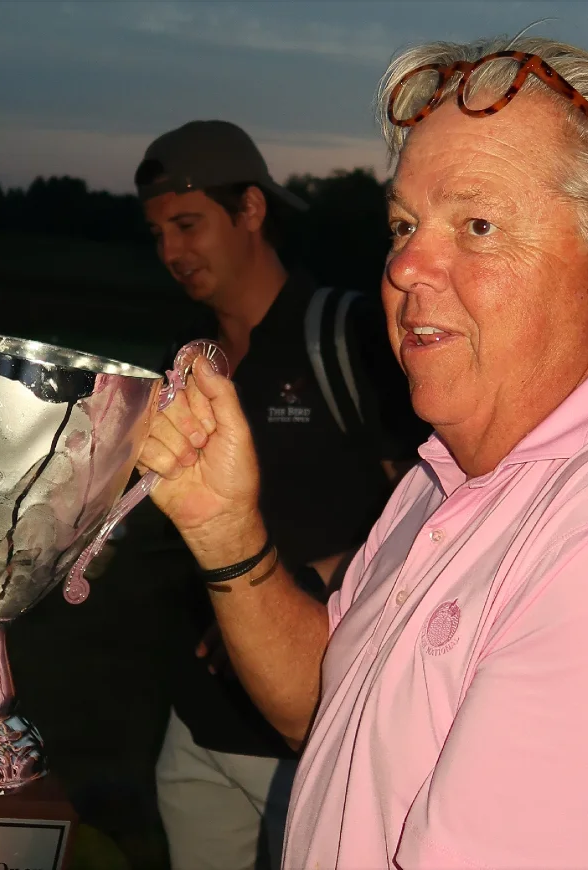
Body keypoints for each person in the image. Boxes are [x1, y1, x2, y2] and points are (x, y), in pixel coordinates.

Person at [136, 36, 588, 869]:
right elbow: (335, 711)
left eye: (479, 224)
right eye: (403, 224)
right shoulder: (452, 476)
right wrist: (225, 531)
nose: (406, 264)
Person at [130, 120, 427, 870]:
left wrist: (310, 583)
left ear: (252, 211)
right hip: (195, 727)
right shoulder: (181, 364)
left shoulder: (352, 337)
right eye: (158, 232)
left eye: (189, 224)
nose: (171, 252)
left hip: (314, 729)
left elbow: (437, 518)